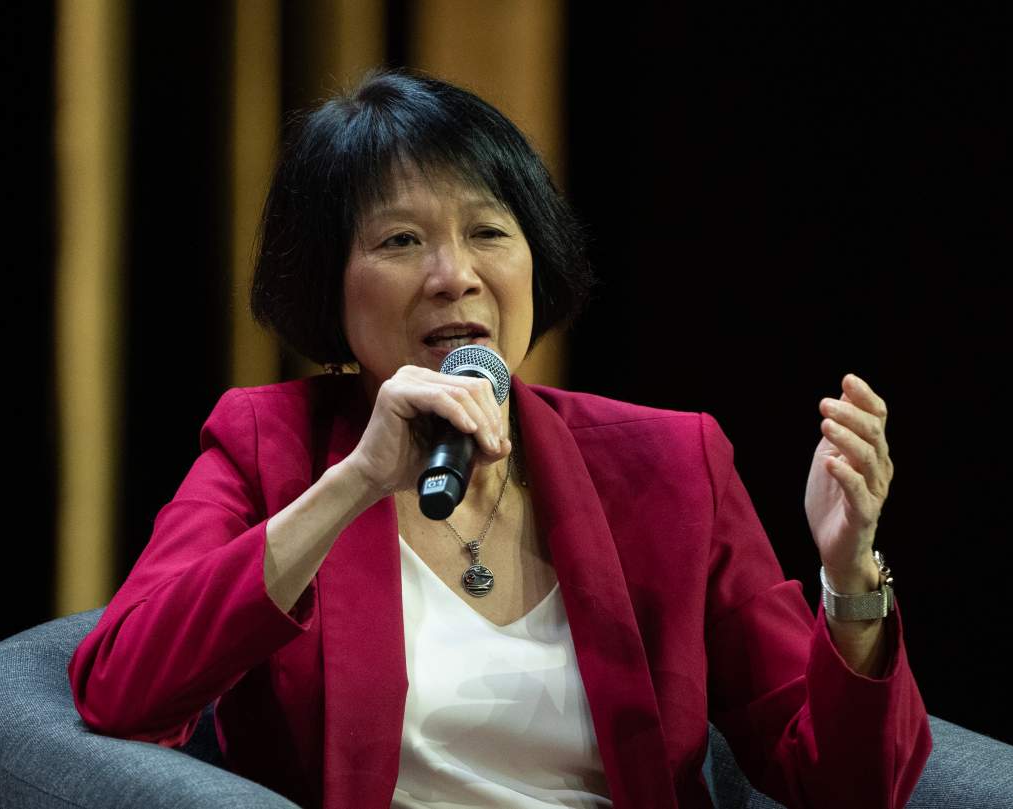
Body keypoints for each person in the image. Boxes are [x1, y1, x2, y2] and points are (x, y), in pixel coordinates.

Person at [68, 67, 932, 809]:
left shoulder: (671, 463)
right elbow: (121, 689)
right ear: (329, 284)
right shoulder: (267, 444)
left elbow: (844, 784)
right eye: (401, 239)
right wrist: (355, 482)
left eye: (488, 231)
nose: (455, 276)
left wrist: (850, 571)